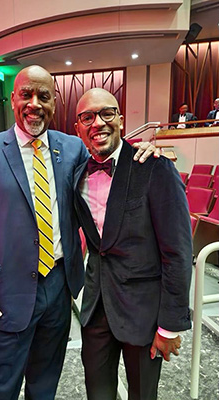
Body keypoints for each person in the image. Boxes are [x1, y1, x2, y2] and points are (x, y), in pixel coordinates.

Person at [0, 65, 157, 400]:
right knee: (1, 387)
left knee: (45, 384)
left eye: (43, 96)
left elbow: (110, 157)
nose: (34, 103)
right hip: (5, 294)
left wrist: (144, 152)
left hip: (59, 289)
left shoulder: (72, 149)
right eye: (26, 95)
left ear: (54, 102)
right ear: (12, 98)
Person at [74, 88, 192, 400]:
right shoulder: (75, 174)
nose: (97, 122)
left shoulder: (155, 167)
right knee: (97, 393)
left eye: (106, 113)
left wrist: (170, 326)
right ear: (78, 129)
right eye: (87, 117)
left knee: (142, 395)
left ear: (121, 120)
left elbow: (178, 252)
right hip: (96, 308)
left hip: (144, 312)